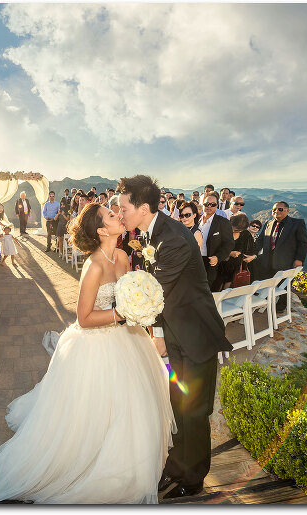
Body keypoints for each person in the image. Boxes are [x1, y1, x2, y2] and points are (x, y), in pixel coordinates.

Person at [0, 202, 175, 504]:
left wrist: (143, 317)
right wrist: (121, 314)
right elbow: (84, 318)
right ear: (100, 230)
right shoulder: (93, 267)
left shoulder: (123, 256)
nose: (118, 216)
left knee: (133, 403)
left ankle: (130, 459)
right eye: (111, 215)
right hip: (97, 344)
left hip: (130, 340)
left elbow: (133, 293)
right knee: (95, 409)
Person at [117, 174, 233, 500]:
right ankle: (176, 466)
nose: (121, 213)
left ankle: (193, 480)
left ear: (142, 208)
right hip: (177, 332)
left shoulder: (174, 240)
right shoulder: (156, 232)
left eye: (124, 207)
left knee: (194, 412)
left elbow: (154, 292)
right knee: (178, 405)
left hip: (196, 336)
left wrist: (120, 312)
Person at [255, 201, 307, 312]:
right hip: (268, 260)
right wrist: (251, 253)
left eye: (280, 209)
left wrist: (299, 259)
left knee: (283, 285)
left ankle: (281, 306)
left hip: (286, 261)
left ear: (287, 211)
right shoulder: (268, 224)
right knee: (265, 282)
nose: (276, 211)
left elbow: (303, 243)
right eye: (274, 209)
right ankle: (263, 302)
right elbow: (259, 242)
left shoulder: (297, 223)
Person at [197, 191, 233, 291]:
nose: (209, 206)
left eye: (213, 204)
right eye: (207, 204)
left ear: (217, 206)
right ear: (202, 204)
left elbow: (229, 243)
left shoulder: (223, 222)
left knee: (206, 291)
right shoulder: (196, 220)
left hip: (210, 263)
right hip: (194, 261)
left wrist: (218, 257)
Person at [215, 213, 257, 290]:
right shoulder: (222, 230)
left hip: (234, 268)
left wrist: (252, 257)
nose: (238, 231)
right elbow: (213, 248)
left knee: (228, 289)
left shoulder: (246, 234)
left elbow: (252, 250)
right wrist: (229, 253)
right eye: (235, 229)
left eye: (240, 230)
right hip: (218, 266)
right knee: (217, 287)